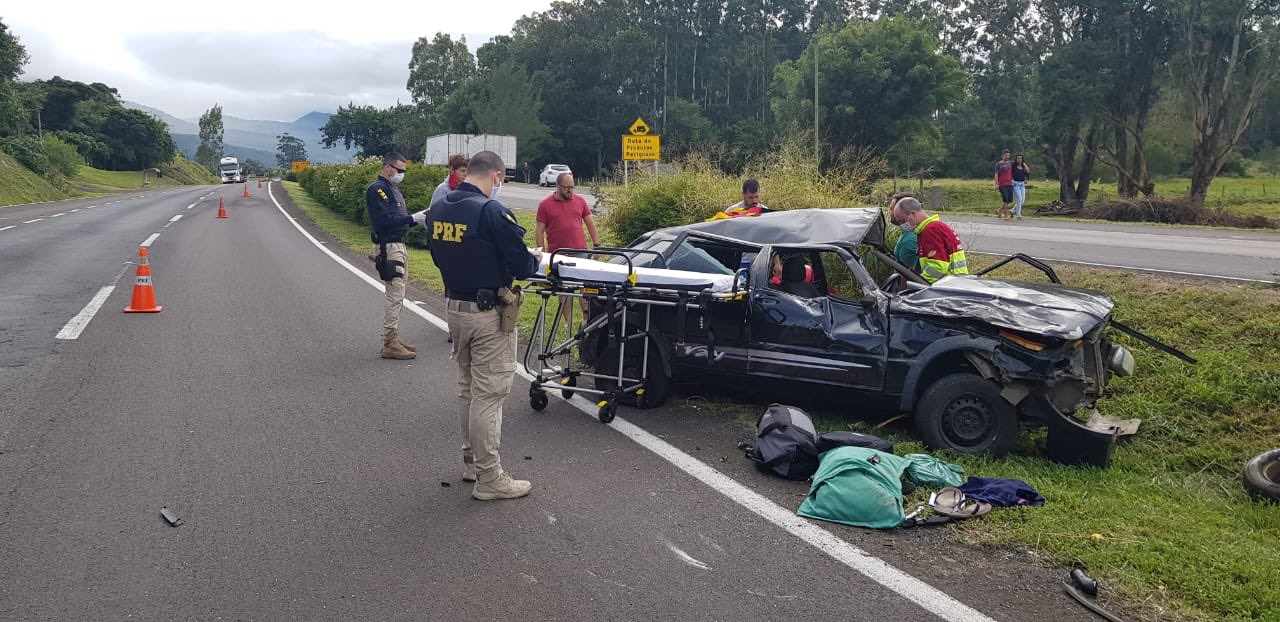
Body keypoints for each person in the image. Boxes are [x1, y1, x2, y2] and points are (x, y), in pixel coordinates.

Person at [425, 150, 541, 501]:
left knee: (467, 389)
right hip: (489, 314)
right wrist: (533, 259)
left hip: (455, 307)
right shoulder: (491, 212)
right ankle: (490, 477)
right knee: (489, 394)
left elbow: (436, 255)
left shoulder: (440, 208)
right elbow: (521, 266)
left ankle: (471, 463)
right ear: (496, 176)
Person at [367, 152, 423, 360]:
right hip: (388, 246)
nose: (402, 174)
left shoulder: (393, 189)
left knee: (399, 293)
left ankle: (394, 336)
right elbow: (384, 221)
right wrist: (412, 219)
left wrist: (414, 220)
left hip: (398, 244)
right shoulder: (378, 189)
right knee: (395, 293)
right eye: (399, 170)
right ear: (388, 167)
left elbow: (397, 218)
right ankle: (390, 341)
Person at [535, 172, 601, 329]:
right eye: (566, 188)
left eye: (572, 187)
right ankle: (568, 322)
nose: (570, 191)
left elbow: (590, 224)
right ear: (558, 187)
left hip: (580, 251)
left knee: (586, 287)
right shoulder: (545, 205)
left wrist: (597, 246)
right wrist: (541, 253)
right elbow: (539, 230)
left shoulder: (580, 201)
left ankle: (587, 319)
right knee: (565, 291)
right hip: (559, 254)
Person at [891, 196, 968, 284]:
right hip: (955, 283)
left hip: (948, 286)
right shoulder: (934, 227)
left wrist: (919, 284)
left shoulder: (930, 231)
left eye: (902, 221)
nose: (902, 225)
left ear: (912, 214)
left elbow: (937, 267)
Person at [888, 192, 919, 273]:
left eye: (892, 209)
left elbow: (906, 276)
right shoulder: (907, 233)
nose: (890, 212)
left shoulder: (910, 239)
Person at [994, 149, 1014, 220]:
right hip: (1002, 184)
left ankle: (999, 210)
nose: (1007, 157)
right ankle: (1005, 213)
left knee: (1009, 199)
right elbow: (996, 174)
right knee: (1005, 198)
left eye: (1008, 155)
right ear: (1002, 155)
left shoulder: (1011, 163)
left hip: (1010, 183)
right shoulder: (999, 164)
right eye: (1006, 155)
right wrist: (996, 184)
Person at [1011, 154, 1031, 220]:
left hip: (1022, 184)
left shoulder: (1023, 166)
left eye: (1020, 158)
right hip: (1015, 184)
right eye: (1018, 158)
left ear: (1022, 159)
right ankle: (1018, 215)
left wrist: (1025, 165)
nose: (1019, 159)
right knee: (1019, 199)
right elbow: (1010, 174)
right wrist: (1011, 181)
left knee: (1022, 201)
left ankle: (1012, 210)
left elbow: (1028, 171)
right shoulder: (1013, 166)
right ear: (1016, 159)